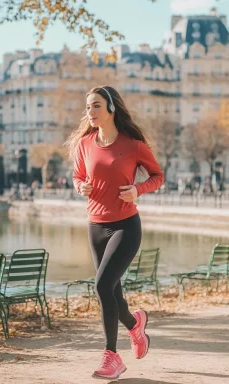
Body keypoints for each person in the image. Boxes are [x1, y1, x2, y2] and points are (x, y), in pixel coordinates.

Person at [66, 86, 164, 380]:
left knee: (101, 286)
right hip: (95, 225)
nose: (90, 112)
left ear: (111, 108)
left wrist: (138, 189)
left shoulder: (132, 144)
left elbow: (157, 176)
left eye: (96, 106)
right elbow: (78, 176)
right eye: (87, 107)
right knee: (110, 289)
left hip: (125, 226)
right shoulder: (85, 143)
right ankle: (135, 324)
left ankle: (112, 357)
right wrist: (80, 186)